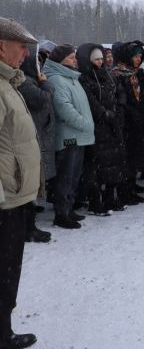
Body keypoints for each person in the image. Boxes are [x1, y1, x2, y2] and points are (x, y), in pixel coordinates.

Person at [0, 18, 42, 349]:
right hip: (4, 199)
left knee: (9, 267)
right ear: (1, 46)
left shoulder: (9, 83)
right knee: (5, 268)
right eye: (21, 47)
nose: (25, 54)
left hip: (13, 196)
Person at [43, 44, 95, 229]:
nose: (75, 60)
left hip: (78, 136)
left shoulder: (71, 77)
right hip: (69, 137)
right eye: (71, 57)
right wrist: (84, 123)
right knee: (65, 177)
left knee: (73, 176)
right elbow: (64, 107)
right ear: (61, 60)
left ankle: (68, 208)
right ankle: (61, 213)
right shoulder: (57, 79)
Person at [77, 43, 127, 216]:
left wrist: (119, 109)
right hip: (99, 127)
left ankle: (109, 198)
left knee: (114, 164)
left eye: (101, 59)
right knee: (97, 167)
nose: (100, 62)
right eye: (96, 59)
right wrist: (104, 114)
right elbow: (90, 102)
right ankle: (95, 202)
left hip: (113, 125)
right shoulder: (85, 79)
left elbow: (119, 92)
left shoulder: (108, 75)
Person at [17, 43, 54, 243]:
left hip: (35, 136)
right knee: (27, 186)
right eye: (37, 61)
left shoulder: (29, 80)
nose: (40, 65)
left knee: (31, 185)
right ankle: (27, 228)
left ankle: (29, 226)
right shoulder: (26, 82)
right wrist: (46, 84)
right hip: (29, 139)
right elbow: (43, 99)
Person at [112, 41, 144, 201]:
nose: (138, 59)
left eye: (140, 56)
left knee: (135, 155)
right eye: (135, 56)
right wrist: (130, 113)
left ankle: (132, 184)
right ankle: (125, 191)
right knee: (126, 157)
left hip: (138, 121)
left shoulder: (136, 74)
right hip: (126, 123)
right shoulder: (118, 74)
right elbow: (121, 100)